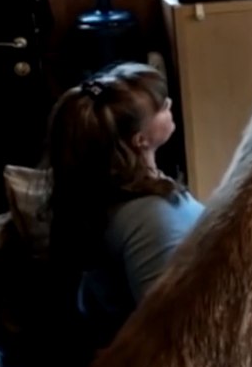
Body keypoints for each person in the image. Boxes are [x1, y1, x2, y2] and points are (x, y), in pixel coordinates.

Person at [46, 62, 205, 350]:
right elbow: (174, 333)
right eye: (161, 107)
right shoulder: (152, 219)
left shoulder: (106, 189)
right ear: (140, 140)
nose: (169, 103)